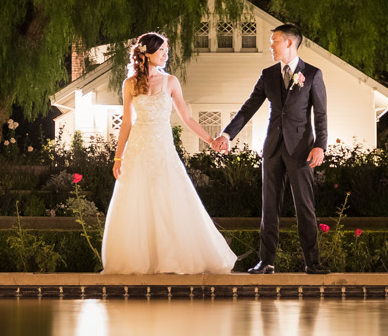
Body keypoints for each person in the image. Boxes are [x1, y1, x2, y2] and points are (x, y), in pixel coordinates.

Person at [101, 32, 239, 274]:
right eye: (162, 50)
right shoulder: (130, 84)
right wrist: (118, 156)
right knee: (137, 201)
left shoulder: (171, 82)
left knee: (170, 198)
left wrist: (210, 140)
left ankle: (172, 259)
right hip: (138, 148)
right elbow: (126, 122)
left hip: (163, 148)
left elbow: (186, 118)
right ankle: (139, 260)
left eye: (167, 50)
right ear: (147, 53)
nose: (166, 54)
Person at [213, 23, 327, 274]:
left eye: (274, 40)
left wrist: (320, 146)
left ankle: (313, 262)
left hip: (301, 151)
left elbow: (320, 115)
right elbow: (248, 108)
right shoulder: (267, 75)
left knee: (304, 206)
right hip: (273, 148)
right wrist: (227, 134)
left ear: (289, 42)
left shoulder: (313, 74)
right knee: (269, 207)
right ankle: (267, 262)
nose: (270, 45)